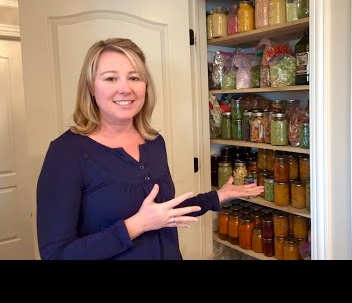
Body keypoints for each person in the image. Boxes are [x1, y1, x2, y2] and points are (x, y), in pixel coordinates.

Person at [36, 38, 264, 260]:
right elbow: (56, 254)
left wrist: (219, 196)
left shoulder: (154, 142)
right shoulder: (66, 153)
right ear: (90, 87)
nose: (125, 89)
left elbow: (162, 213)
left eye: (134, 77)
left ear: (145, 86)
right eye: (111, 78)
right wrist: (136, 226)